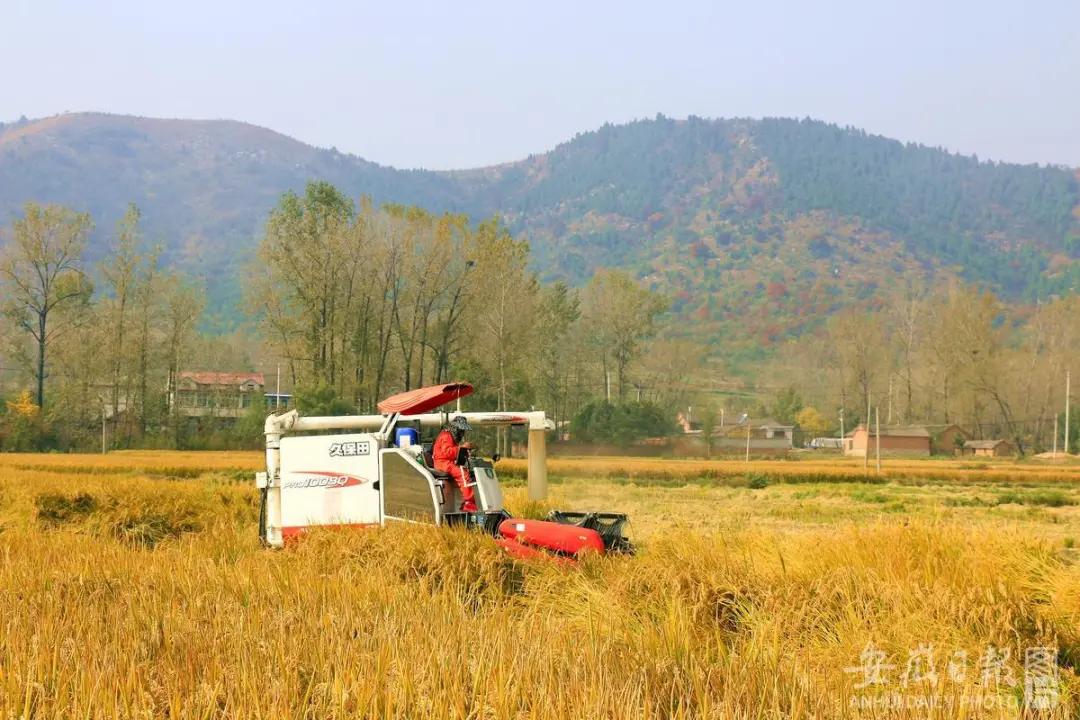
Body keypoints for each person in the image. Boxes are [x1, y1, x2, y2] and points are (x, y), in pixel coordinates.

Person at [433, 415, 477, 512]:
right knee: (463, 474)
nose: (462, 433)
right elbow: (446, 452)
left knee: (466, 471)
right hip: (442, 463)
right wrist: (462, 448)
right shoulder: (446, 436)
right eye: (461, 430)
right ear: (455, 428)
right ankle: (469, 503)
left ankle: (465, 502)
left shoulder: (450, 436)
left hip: (446, 462)